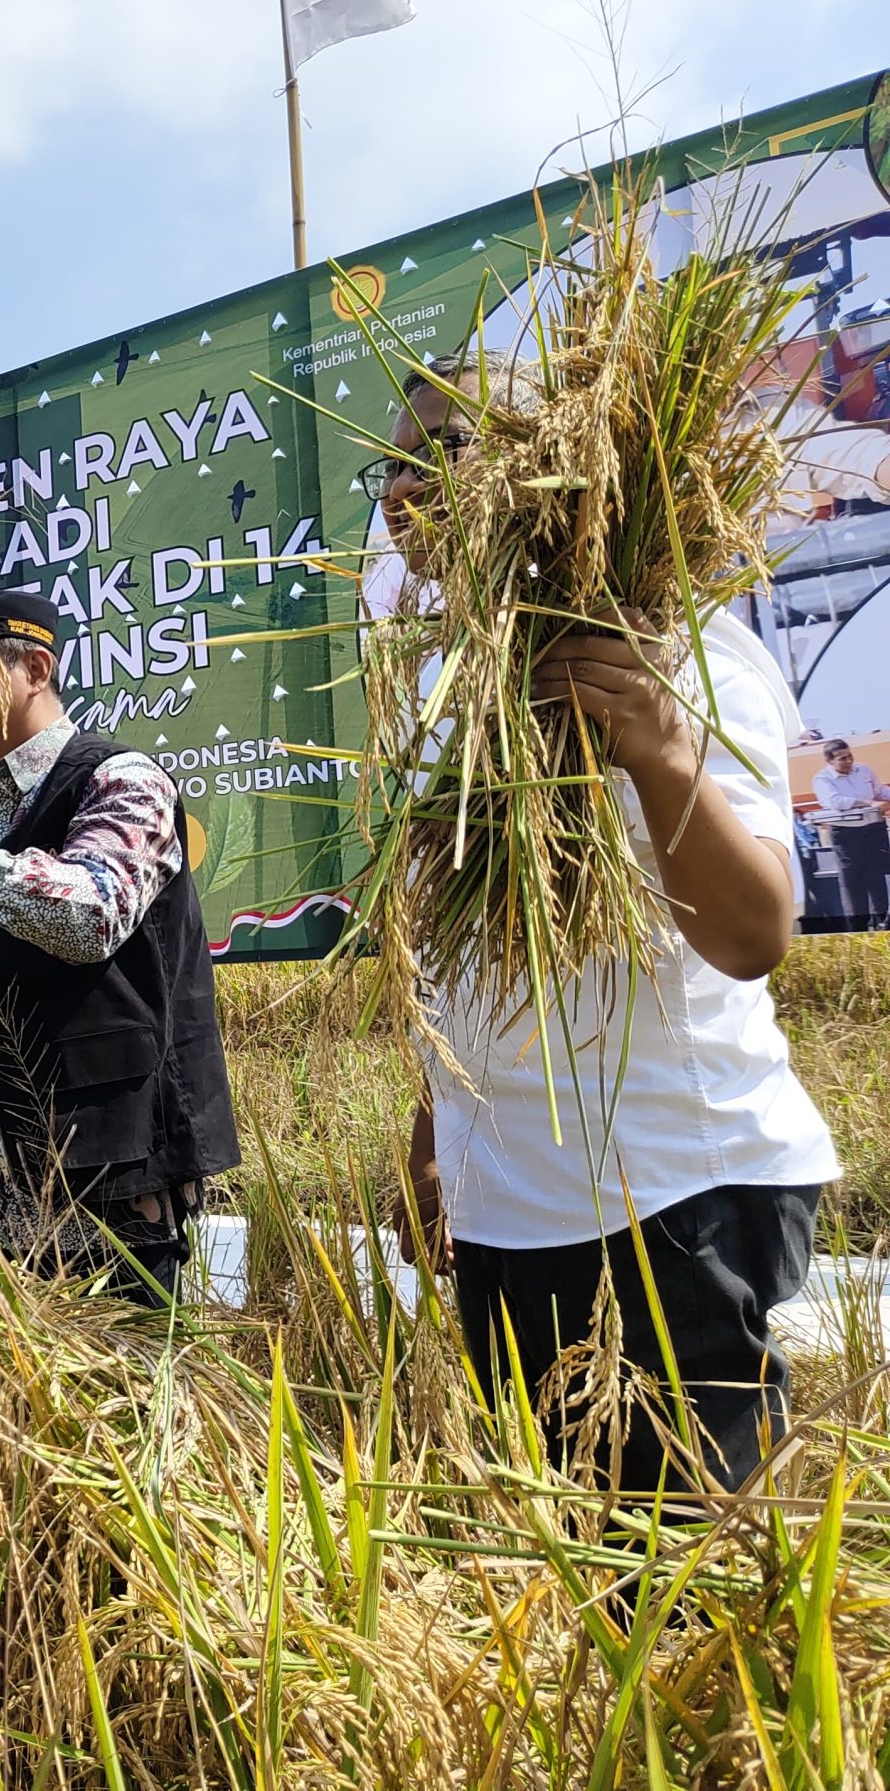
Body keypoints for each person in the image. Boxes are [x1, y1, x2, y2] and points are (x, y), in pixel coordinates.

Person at [379, 352, 839, 1498]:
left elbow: (754, 934)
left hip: (672, 1194)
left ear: (544, 462)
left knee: (687, 1582)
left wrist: (658, 748)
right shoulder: (458, 696)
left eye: (438, 453)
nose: (400, 494)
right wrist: (436, 1146)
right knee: (566, 1553)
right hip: (509, 1212)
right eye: (386, 469)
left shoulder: (676, 655)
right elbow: (467, 959)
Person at [0, 588, 241, 1305]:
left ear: (35, 668)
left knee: (123, 1404)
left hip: (103, 1187)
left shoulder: (121, 780)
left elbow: (95, 912)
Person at [813, 737, 890, 930]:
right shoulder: (822, 779)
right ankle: (858, 930)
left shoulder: (863, 770)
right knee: (853, 884)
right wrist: (867, 804)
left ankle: (883, 925)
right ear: (830, 761)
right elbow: (836, 802)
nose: (848, 761)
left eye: (849, 756)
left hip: (873, 831)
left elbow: (878, 790)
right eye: (841, 758)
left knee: (878, 879)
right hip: (847, 836)